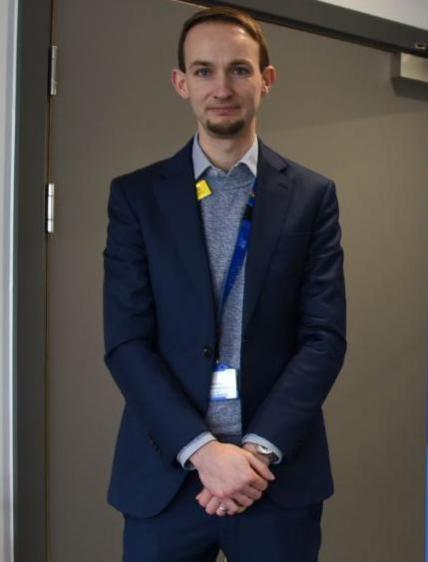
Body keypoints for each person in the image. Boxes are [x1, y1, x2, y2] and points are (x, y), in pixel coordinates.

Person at [102, 7, 346, 561]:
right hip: (167, 478)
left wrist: (253, 454)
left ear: (267, 79)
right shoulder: (137, 198)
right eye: (204, 70)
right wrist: (204, 452)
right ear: (181, 83)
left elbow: (324, 337)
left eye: (239, 69)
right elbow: (126, 342)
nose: (222, 87)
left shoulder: (311, 197)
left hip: (274, 478)